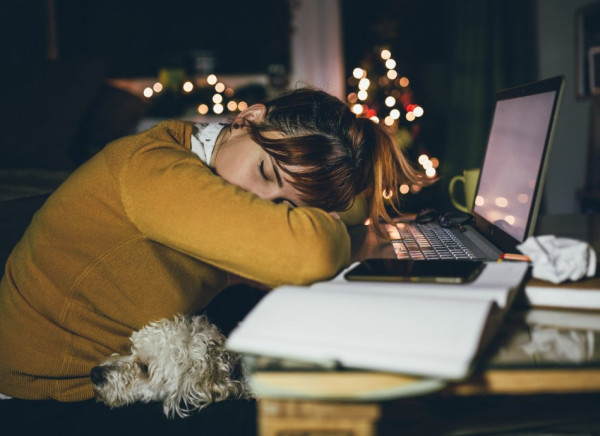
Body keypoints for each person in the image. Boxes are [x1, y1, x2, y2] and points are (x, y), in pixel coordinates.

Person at [0, 88, 424, 434]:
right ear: (248, 118)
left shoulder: (203, 149)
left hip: (132, 368)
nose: (260, 207)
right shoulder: (155, 170)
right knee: (312, 419)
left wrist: (321, 212)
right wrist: (313, 226)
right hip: (50, 398)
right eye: (266, 173)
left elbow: (352, 214)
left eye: (285, 207)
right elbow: (313, 254)